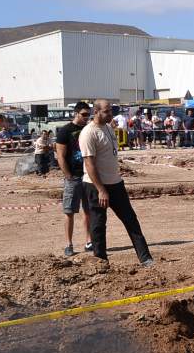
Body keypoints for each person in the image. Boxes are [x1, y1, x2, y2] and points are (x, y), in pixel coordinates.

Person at [80, 99, 153, 267]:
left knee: (130, 220)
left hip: (116, 183)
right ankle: (101, 262)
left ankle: (145, 258)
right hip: (95, 185)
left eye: (111, 111)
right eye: (107, 111)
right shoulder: (88, 133)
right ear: (96, 112)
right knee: (98, 224)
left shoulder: (108, 127)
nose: (110, 114)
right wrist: (101, 190)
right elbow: (89, 163)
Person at [55, 101, 92, 257]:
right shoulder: (65, 131)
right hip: (74, 176)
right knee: (69, 211)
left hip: (88, 175)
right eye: (84, 115)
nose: (86, 117)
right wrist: (68, 176)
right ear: (76, 113)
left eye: (88, 115)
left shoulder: (88, 129)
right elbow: (61, 156)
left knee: (88, 210)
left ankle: (89, 241)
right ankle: (69, 244)